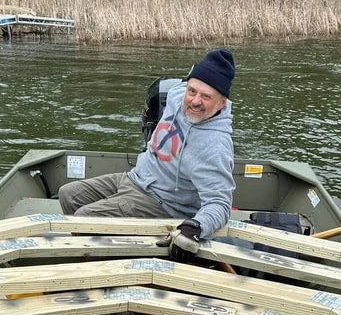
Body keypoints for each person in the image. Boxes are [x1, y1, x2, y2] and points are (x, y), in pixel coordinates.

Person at [58, 48, 236, 263]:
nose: (195, 101)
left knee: (84, 219)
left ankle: (106, 268)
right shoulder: (176, 94)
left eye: (206, 96)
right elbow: (186, 86)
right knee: (68, 194)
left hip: (163, 203)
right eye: (192, 91)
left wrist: (195, 228)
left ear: (222, 103)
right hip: (136, 178)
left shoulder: (214, 146)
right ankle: (99, 252)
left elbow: (220, 203)